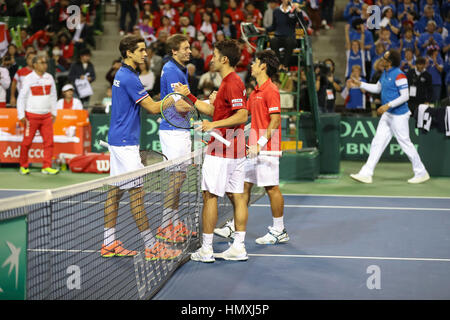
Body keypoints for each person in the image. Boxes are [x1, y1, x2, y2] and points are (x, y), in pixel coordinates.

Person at [101, 35, 190, 261]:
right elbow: (152, 108)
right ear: (128, 53)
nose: (145, 54)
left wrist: (167, 98)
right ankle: (151, 246)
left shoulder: (126, 74)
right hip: (125, 144)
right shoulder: (128, 77)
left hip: (118, 140)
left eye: (144, 50)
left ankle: (108, 242)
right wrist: (176, 96)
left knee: (115, 192)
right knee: (137, 195)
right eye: (140, 50)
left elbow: (148, 102)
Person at [214, 49, 288, 245]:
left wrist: (260, 144)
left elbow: (275, 120)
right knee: (243, 186)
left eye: (255, 63)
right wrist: (218, 102)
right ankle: (234, 226)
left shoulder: (271, 90)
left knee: (271, 188)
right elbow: (242, 114)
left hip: (267, 147)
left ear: (263, 66)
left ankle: (279, 230)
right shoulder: (255, 91)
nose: (251, 65)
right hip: (253, 146)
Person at [185, 39, 249, 262]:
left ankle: (206, 250)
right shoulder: (228, 83)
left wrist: (212, 126)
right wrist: (191, 97)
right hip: (236, 146)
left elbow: (242, 115)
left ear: (224, 59)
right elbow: (218, 112)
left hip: (222, 145)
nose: (210, 58)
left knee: (209, 196)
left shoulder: (231, 82)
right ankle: (239, 247)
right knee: (238, 197)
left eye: (214, 54)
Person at [348, 49, 430, 184]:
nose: (381, 59)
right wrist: (360, 84)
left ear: (390, 62)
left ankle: (421, 172)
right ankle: (366, 173)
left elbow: (405, 96)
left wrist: (387, 105)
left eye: (384, 58)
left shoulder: (399, 75)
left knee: (405, 143)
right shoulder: (385, 73)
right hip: (388, 115)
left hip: (399, 115)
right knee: (377, 142)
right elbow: (377, 88)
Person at [157, 34, 195, 244]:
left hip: (180, 129)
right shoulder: (172, 70)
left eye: (189, 47)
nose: (189, 51)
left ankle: (174, 221)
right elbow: (179, 104)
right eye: (185, 48)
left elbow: (184, 101)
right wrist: (202, 106)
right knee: (175, 179)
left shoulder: (180, 69)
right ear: (174, 51)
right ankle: (165, 226)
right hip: (172, 130)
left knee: (179, 179)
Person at [16, 54, 59, 175]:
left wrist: (54, 112)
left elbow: (53, 95)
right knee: (27, 142)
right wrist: (21, 115)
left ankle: (46, 166)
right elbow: (21, 98)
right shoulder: (28, 78)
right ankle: (23, 166)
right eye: (42, 62)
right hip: (31, 116)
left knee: (49, 142)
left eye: (46, 63)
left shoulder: (49, 77)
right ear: (34, 64)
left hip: (46, 116)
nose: (45, 65)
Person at [261, 0, 301, 72]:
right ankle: (279, 64)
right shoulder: (276, 11)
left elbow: (302, 25)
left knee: (290, 41)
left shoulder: (294, 11)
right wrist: (264, 29)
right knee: (273, 40)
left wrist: (299, 12)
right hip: (279, 37)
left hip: (290, 37)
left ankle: (285, 65)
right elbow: (273, 26)